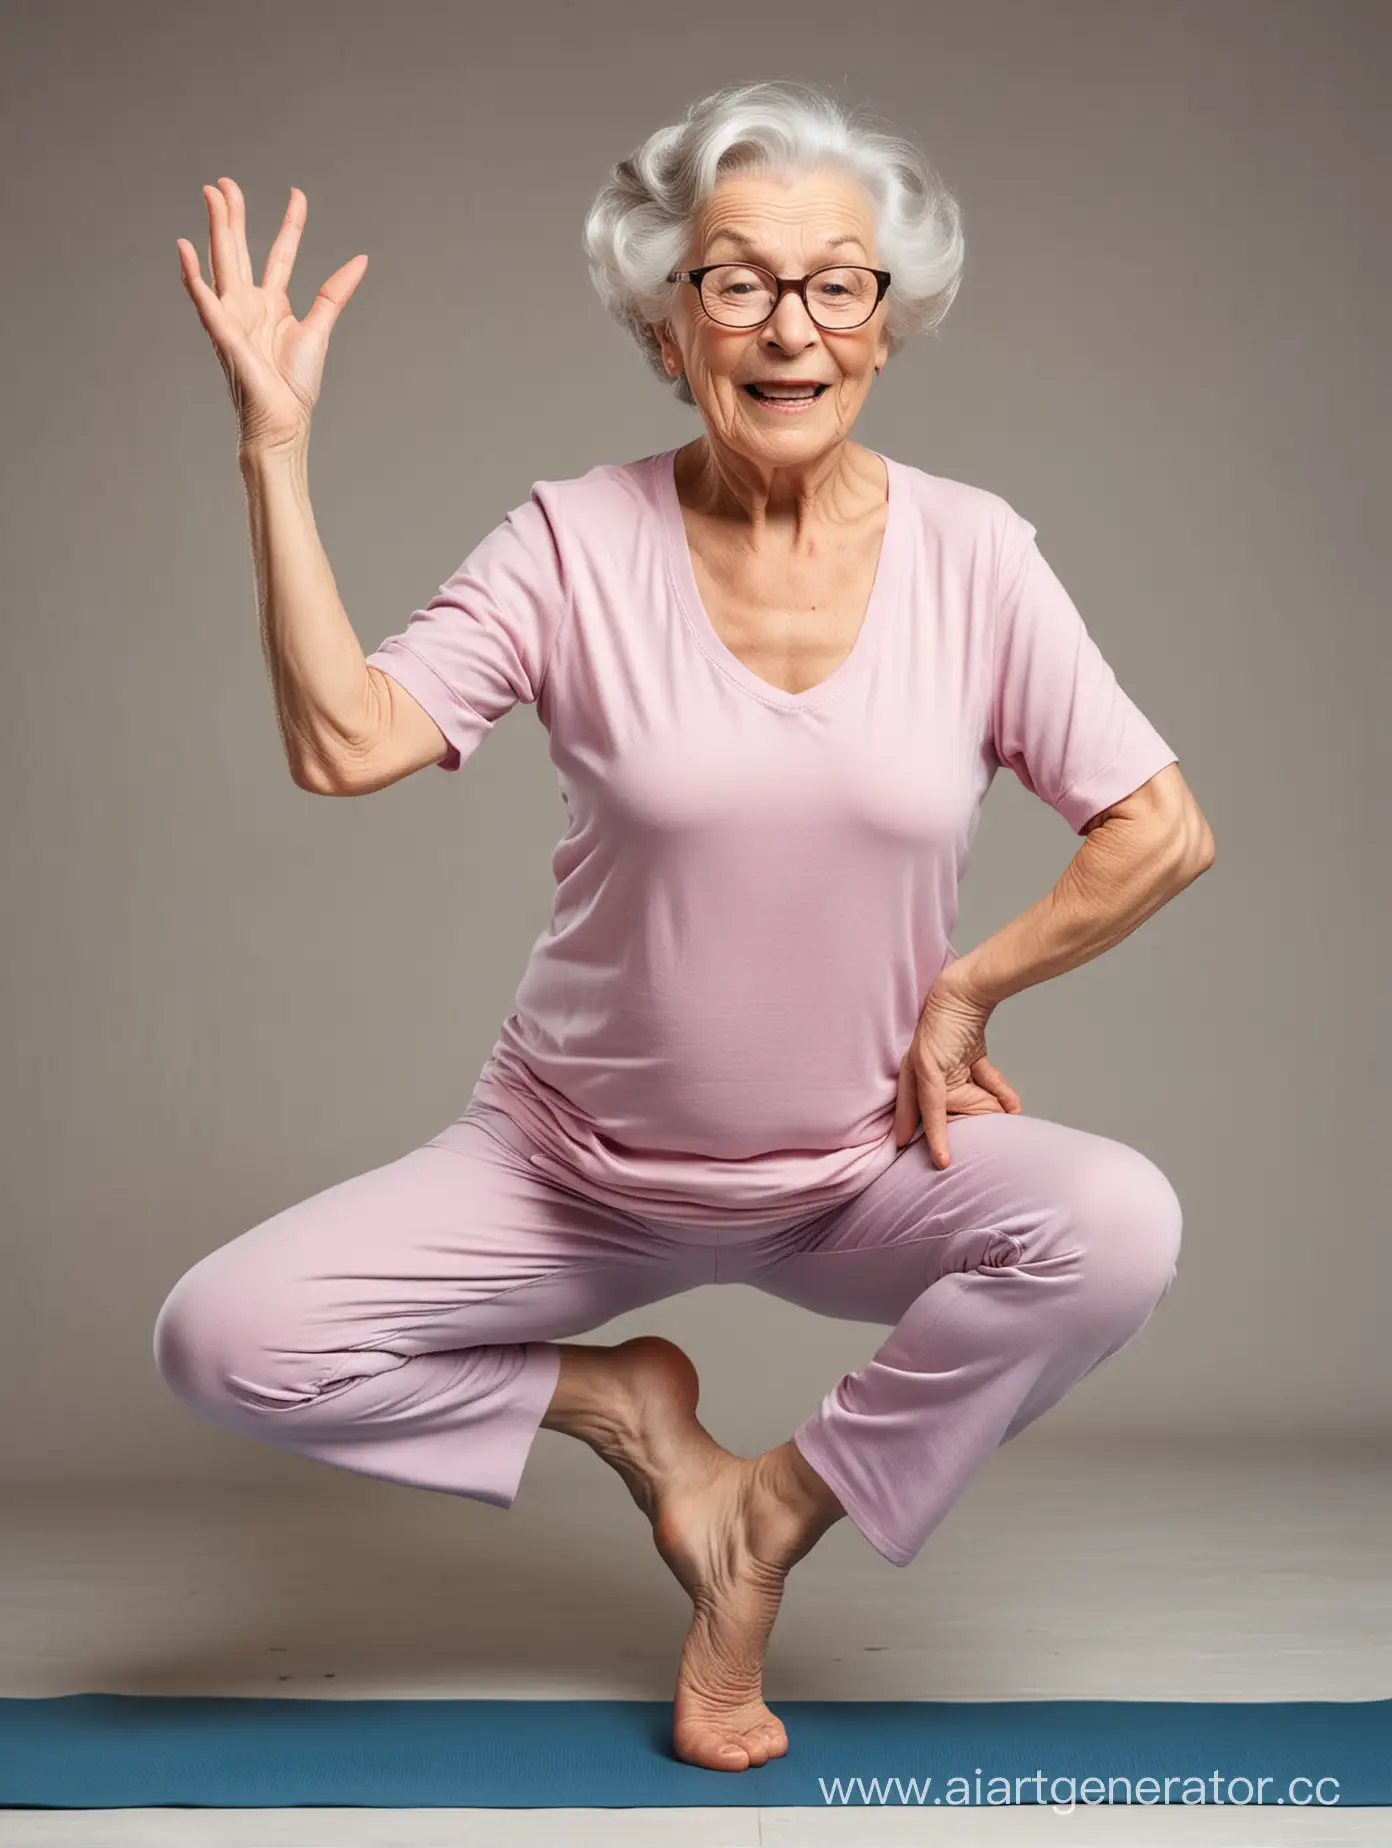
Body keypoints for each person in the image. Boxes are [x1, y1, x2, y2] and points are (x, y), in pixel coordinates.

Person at [159, 79, 1215, 1774]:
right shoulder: (575, 542)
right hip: (569, 1165)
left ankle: (765, 1520)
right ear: (670, 327)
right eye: (738, 281)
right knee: (225, 1339)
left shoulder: (974, 556)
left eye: (836, 282)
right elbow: (344, 742)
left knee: (1117, 1227)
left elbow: (1159, 829)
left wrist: (969, 988)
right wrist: (274, 449)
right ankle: (636, 1418)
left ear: (885, 323)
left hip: (855, 1168)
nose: (790, 324)